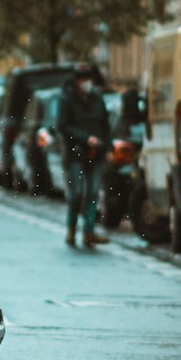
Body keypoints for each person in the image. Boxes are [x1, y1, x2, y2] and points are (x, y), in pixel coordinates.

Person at [57, 64, 110, 248]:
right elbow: (62, 126)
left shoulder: (97, 97)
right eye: (83, 79)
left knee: (93, 192)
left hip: (96, 153)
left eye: (89, 79)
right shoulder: (66, 99)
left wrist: (106, 145)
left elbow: (105, 123)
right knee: (77, 193)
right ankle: (72, 229)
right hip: (75, 154)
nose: (87, 83)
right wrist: (85, 138)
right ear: (76, 81)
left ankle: (89, 231)